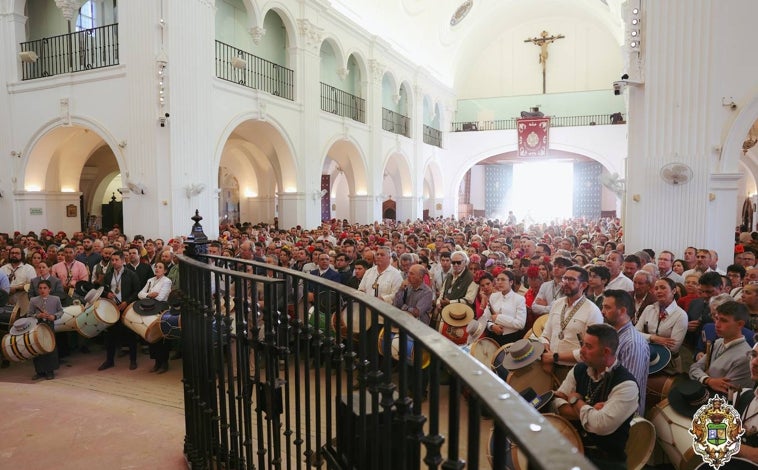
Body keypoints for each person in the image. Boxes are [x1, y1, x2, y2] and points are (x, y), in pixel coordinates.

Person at [553, 323, 639, 470]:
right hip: (572, 451)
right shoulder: (580, 369)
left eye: (588, 346)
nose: (582, 350)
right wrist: (591, 409)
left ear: (606, 352)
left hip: (606, 463)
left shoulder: (626, 385)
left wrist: (575, 400)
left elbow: (599, 425)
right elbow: (555, 402)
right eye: (583, 344)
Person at [539, 265, 604, 381]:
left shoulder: (592, 311)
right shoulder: (557, 304)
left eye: (572, 280)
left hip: (575, 370)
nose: (566, 282)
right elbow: (545, 335)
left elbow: (591, 350)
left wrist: (554, 357)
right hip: (550, 364)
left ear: (583, 285)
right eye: (564, 278)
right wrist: (546, 351)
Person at [601, 289, 650, 415]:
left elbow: (628, 388)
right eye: (603, 307)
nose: (602, 312)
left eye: (607, 308)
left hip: (625, 414)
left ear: (622, 311)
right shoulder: (613, 334)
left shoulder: (632, 343)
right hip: (609, 405)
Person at [689, 300, 753, 395]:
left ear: (740, 324)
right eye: (716, 318)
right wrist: (708, 380)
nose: (717, 324)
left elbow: (726, 393)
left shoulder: (745, 357)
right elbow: (694, 368)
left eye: (723, 320)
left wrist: (703, 376)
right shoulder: (718, 342)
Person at [99, 250, 142, 371]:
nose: (114, 262)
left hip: (126, 308)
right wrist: (107, 294)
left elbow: (137, 291)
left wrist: (126, 302)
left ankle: (133, 360)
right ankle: (109, 360)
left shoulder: (131, 274)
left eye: (116, 260)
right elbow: (103, 289)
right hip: (112, 308)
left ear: (123, 261)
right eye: (112, 260)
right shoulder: (108, 275)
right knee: (110, 336)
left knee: (130, 334)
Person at [635, 277, 688, 373]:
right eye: (656, 288)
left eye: (663, 288)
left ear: (674, 291)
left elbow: (673, 346)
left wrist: (644, 338)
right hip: (646, 357)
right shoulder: (649, 309)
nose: (659, 291)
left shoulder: (681, 315)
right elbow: (635, 333)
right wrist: (653, 338)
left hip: (669, 362)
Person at [27, 279, 63, 380]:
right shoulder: (33, 300)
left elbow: (61, 311)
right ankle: (39, 371)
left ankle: (50, 371)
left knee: (50, 347)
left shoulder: (55, 299)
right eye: (40, 288)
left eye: (45, 288)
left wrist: (54, 317)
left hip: (49, 325)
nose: (42, 290)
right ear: (38, 290)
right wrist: (38, 315)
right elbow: (29, 314)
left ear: (49, 289)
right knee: (37, 347)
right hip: (37, 326)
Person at [483, 270, 526, 345]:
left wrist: (498, 318)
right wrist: (492, 326)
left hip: (511, 339)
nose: (499, 282)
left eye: (503, 279)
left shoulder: (519, 299)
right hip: (492, 336)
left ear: (511, 282)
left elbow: (520, 324)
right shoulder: (493, 296)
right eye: (498, 279)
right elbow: (485, 317)